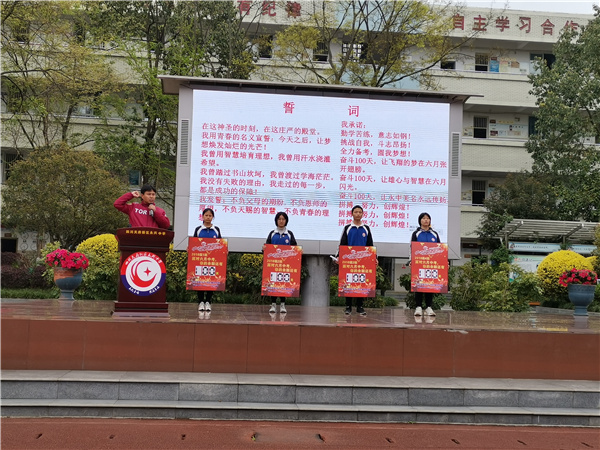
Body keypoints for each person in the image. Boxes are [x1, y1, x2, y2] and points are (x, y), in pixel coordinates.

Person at [338, 205, 374, 316]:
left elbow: (370, 245)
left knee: (361, 282)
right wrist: (339, 256)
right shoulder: (348, 228)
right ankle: (348, 306)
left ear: (362, 214)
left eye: (360, 212)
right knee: (348, 282)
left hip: (363, 261)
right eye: (356, 212)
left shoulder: (366, 228)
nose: (358, 214)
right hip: (350, 261)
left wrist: (374, 258)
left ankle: (360, 306)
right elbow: (342, 244)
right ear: (352, 214)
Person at [263, 211, 297, 314]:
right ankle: (273, 304)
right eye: (279, 219)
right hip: (274, 264)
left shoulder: (289, 234)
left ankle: (283, 304)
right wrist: (264, 248)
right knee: (273, 283)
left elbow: (294, 247)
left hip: (285, 265)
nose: (281, 221)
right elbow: (267, 247)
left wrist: (299, 251)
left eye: (283, 219)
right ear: (276, 221)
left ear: (286, 221)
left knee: (284, 283)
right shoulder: (272, 233)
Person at [410, 212, 441, 317]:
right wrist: (411, 261)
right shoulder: (416, 234)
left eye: (428, 218)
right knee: (418, 284)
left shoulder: (434, 234)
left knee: (430, 284)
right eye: (423, 218)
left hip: (431, 264)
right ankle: (418, 307)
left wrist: (443, 262)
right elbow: (412, 248)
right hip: (419, 263)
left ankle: (429, 307)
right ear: (420, 221)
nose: (426, 220)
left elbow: (439, 249)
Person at [193, 208, 222, 313]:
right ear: (202, 216)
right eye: (206, 215)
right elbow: (194, 242)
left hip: (213, 260)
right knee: (200, 280)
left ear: (212, 217)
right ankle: (201, 302)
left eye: (210, 216)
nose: (208, 217)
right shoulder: (198, 229)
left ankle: (208, 301)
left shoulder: (216, 229)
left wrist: (224, 250)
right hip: (200, 260)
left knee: (211, 280)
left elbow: (220, 243)